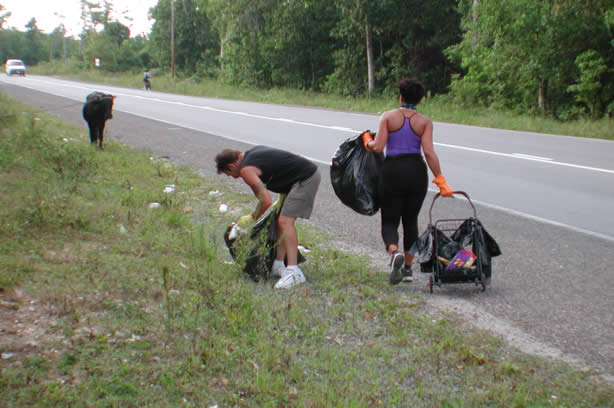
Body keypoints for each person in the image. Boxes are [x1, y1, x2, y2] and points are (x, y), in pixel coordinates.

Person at [365, 79, 453, 285]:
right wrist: (440, 180)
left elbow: (378, 147)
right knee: (411, 220)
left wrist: (367, 142)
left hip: (392, 171)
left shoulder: (388, 117)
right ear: (419, 100)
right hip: (416, 172)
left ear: (401, 97)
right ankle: (407, 270)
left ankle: (394, 252)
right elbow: (429, 153)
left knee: (389, 221)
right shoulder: (425, 122)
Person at [215, 146, 321, 289]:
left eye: (230, 174)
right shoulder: (251, 154)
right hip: (298, 178)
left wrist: (248, 221)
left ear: (232, 165)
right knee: (279, 222)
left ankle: (294, 271)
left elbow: (265, 201)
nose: (234, 178)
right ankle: (278, 265)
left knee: (285, 222)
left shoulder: (246, 170)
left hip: (305, 178)